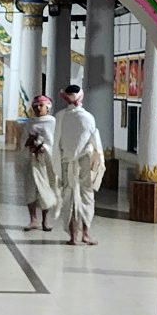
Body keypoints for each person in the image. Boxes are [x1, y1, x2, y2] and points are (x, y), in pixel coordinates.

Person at [52, 85, 106, 246]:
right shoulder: (88, 117)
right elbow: (95, 141)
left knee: (69, 197)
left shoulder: (60, 116)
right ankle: (86, 234)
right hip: (84, 162)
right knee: (86, 197)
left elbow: (56, 142)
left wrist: (57, 164)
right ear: (81, 97)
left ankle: (73, 236)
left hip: (66, 162)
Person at [18, 95, 57, 231]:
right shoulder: (30, 122)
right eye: (35, 106)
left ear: (48, 107)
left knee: (45, 188)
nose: (38, 108)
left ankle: (45, 220)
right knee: (30, 189)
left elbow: (54, 142)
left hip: (46, 162)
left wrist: (43, 147)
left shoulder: (52, 122)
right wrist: (29, 144)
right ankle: (33, 219)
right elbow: (23, 140)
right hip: (31, 160)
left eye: (41, 105)